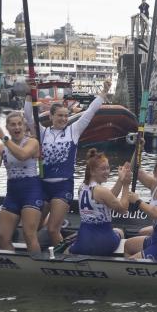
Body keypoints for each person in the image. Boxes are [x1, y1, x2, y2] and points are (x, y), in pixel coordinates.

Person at [38, 90, 106, 248]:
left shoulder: (73, 131)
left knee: (53, 230)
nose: (63, 119)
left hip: (63, 186)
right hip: (42, 186)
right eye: (59, 115)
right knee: (35, 227)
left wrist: (102, 94)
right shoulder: (42, 132)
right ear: (51, 117)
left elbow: (89, 112)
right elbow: (29, 117)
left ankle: (66, 256)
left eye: (65, 116)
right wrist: (29, 97)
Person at [0, 110, 43, 253]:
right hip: (12, 192)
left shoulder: (32, 142)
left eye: (19, 124)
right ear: (8, 127)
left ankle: (37, 267)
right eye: (13, 125)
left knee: (29, 235)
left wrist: (4, 138)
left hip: (31, 190)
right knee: (2, 236)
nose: (17, 127)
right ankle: (13, 263)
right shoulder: (1, 148)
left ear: (24, 127)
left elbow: (23, 155)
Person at [68, 152, 135, 256]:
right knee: (119, 231)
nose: (107, 172)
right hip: (102, 242)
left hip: (83, 242)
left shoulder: (82, 187)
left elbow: (108, 198)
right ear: (92, 171)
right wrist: (126, 184)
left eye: (108, 168)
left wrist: (120, 180)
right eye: (103, 169)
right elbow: (123, 210)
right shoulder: (101, 191)